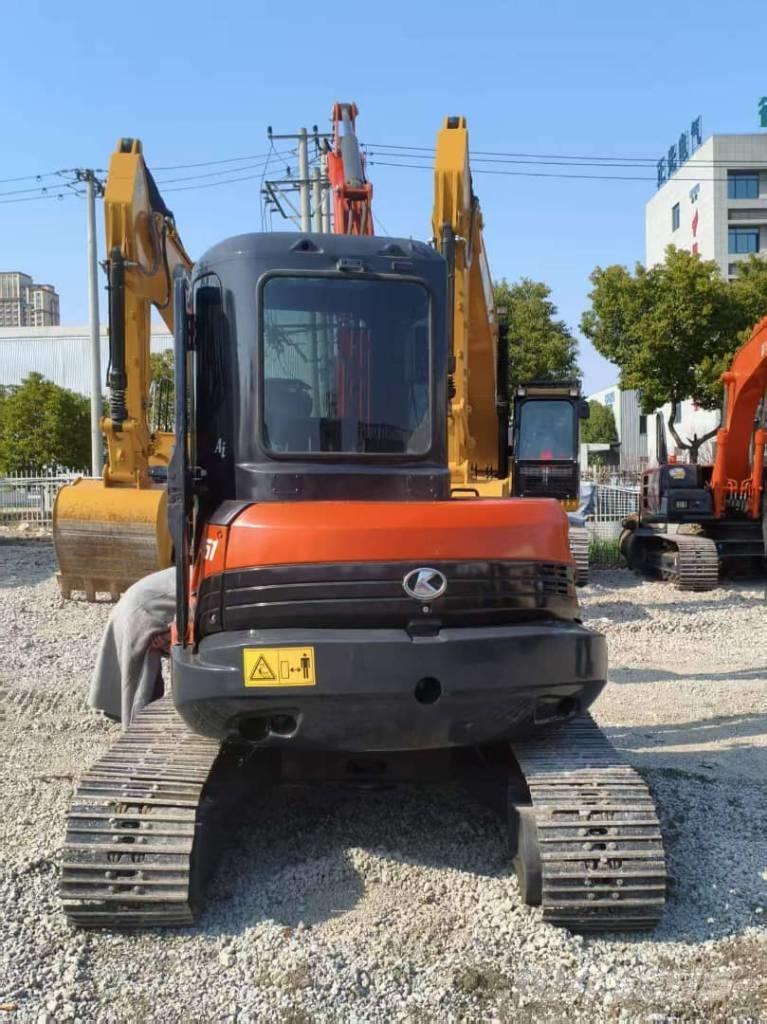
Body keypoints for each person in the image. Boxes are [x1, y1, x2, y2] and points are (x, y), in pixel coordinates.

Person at [88, 567, 176, 730]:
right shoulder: (214, 584)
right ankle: (137, 728)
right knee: (139, 684)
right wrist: (167, 637)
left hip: (138, 602)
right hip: (142, 612)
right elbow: (191, 617)